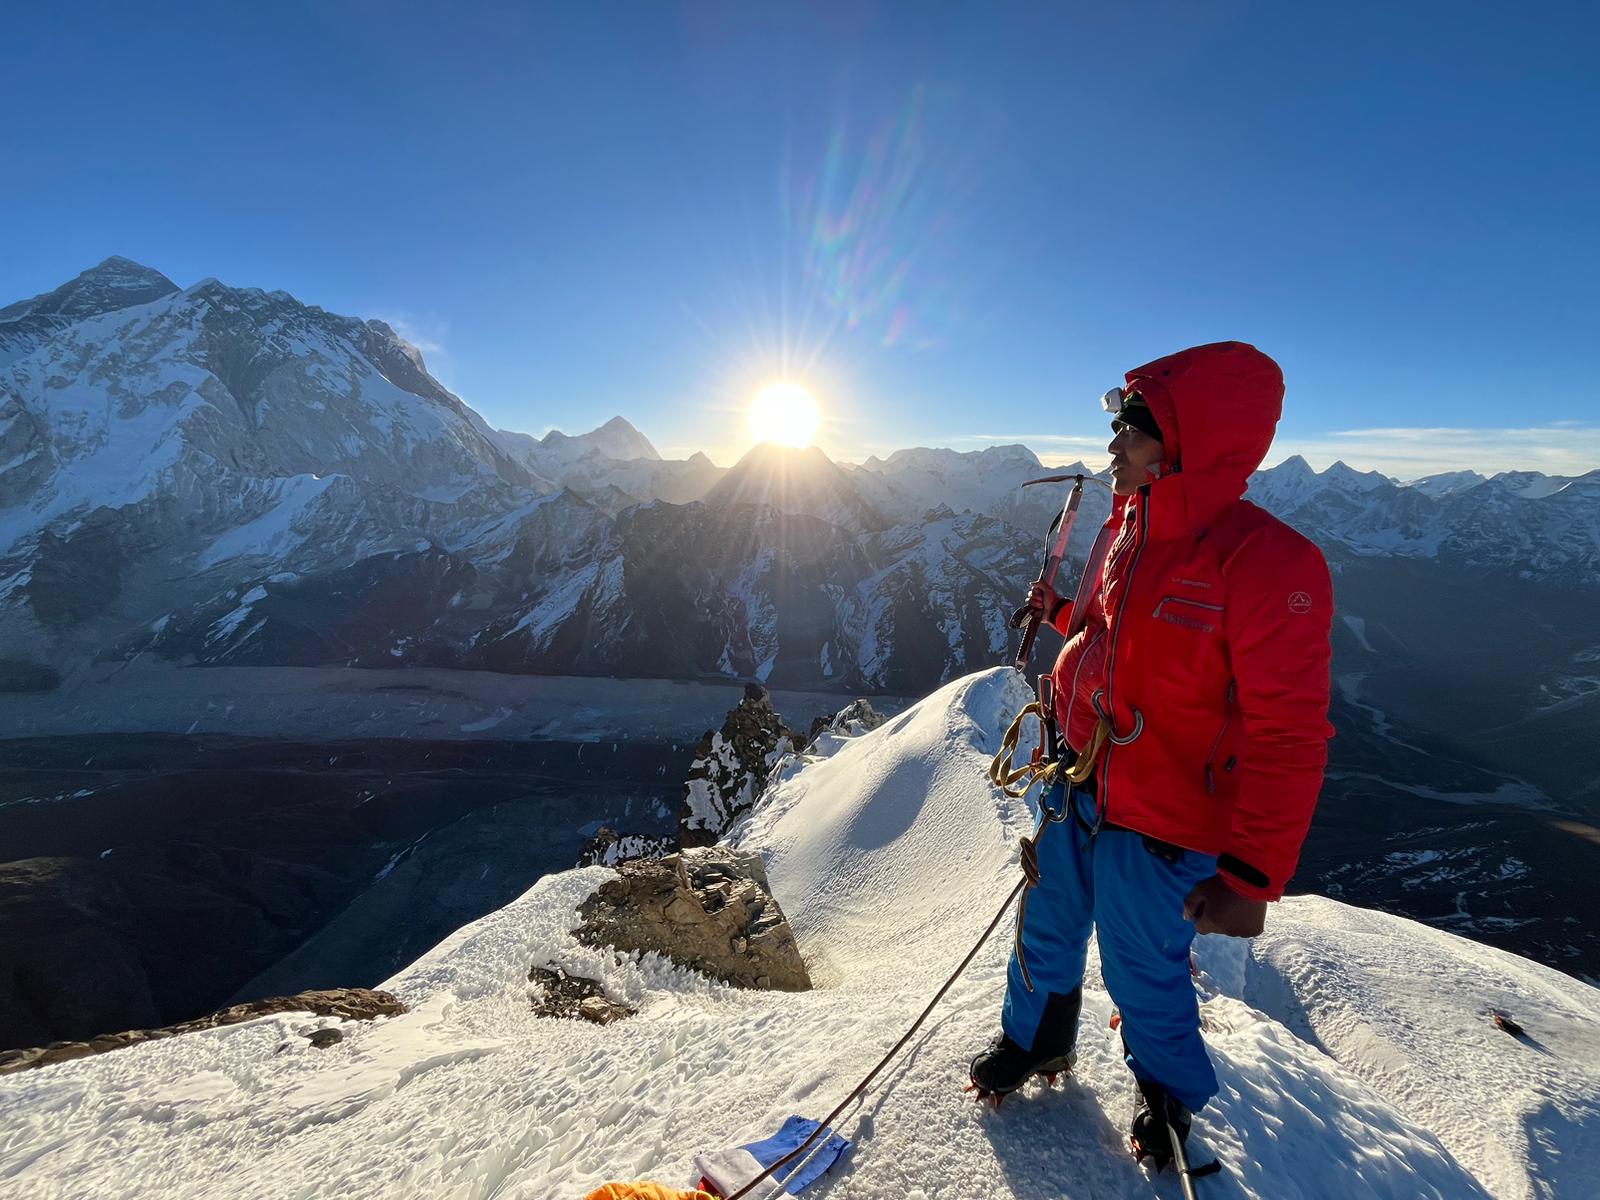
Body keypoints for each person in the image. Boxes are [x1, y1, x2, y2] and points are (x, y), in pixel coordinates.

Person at [970, 341, 1334, 1169]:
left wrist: (1251, 876)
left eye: (1130, 426)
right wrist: (1063, 610)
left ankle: (1167, 1096)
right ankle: (1036, 1042)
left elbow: (1292, 735)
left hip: (1167, 815)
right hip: (1081, 779)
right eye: (1117, 421)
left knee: (1143, 967)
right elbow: (1115, 642)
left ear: (1184, 441)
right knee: (1047, 921)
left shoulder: (1269, 563)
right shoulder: (1125, 529)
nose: (1112, 445)